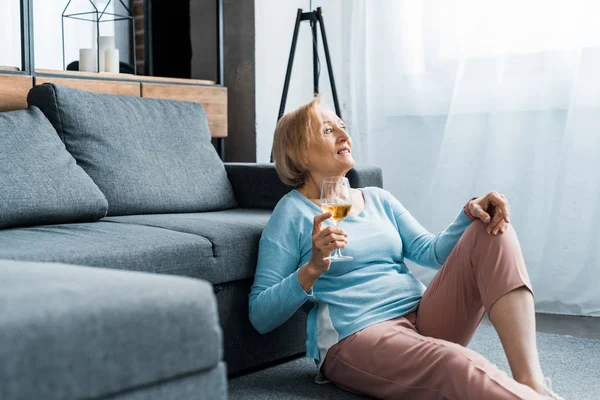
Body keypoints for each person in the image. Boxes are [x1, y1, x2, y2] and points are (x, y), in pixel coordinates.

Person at [249, 96, 563, 400]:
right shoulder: (291, 213)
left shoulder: (378, 199)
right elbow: (261, 316)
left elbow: (431, 252)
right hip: (357, 335)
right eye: (328, 130)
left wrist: (470, 213)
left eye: (342, 126)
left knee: (492, 227)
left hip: (423, 317)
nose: (345, 134)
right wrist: (312, 269)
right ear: (299, 152)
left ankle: (531, 382)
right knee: (454, 364)